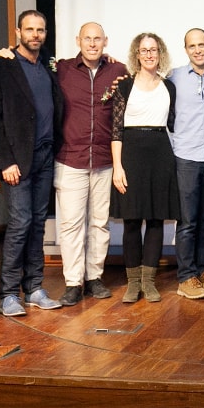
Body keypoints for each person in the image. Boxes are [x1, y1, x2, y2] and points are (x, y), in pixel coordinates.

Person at [0, 10, 65, 316]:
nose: (35, 35)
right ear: (18, 32)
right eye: (29, 29)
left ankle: (34, 288)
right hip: (16, 161)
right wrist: (5, 161)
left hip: (45, 156)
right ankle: (8, 294)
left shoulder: (48, 67)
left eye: (40, 30)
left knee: (38, 224)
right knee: (21, 223)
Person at [53, 22, 128, 306]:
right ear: (78, 41)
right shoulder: (61, 70)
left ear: (105, 41)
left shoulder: (118, 71)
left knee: (99, 223)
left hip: (105, 160)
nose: (93, 44)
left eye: (98, 39)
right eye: (88, 38)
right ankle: (73, 282)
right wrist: (8, 52)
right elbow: (28, 61)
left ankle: (94, 277)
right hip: (70, 159)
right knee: (71, 224)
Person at [110, 32, 180, 304]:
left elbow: (172, 124)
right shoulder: (125, 86)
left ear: (160, 54)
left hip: (160, 157)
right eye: (144, 50)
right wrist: (117, 167)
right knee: (130, 221)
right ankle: (132, 284)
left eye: (154, 50)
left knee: (155, 220)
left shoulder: (169, 87)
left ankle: (149, 283)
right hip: (130, 156)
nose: (149, 54)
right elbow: (116, 130)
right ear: (136, 55)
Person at [168, 28, 204, 300]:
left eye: (201, 44)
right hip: (187, 157)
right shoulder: (174, 77)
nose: (197, 50)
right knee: (188, 221)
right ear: (186, 49)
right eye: (192, 46)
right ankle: (186, 276)